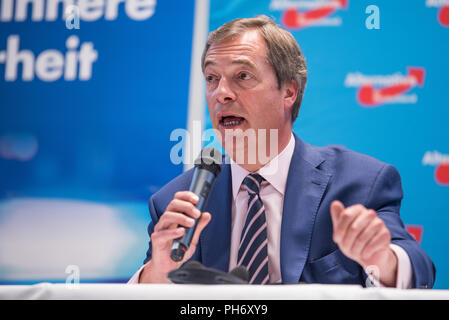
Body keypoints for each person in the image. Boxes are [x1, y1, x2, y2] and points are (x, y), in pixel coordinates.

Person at [128, 15, 435, 287]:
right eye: (211, 78)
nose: (220, 93)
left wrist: (381, 260)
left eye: (242, 76)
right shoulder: (176, 202)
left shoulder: (359, 183)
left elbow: (419, 269)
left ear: (289, 91)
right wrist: (157, 274)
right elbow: (145, 286)